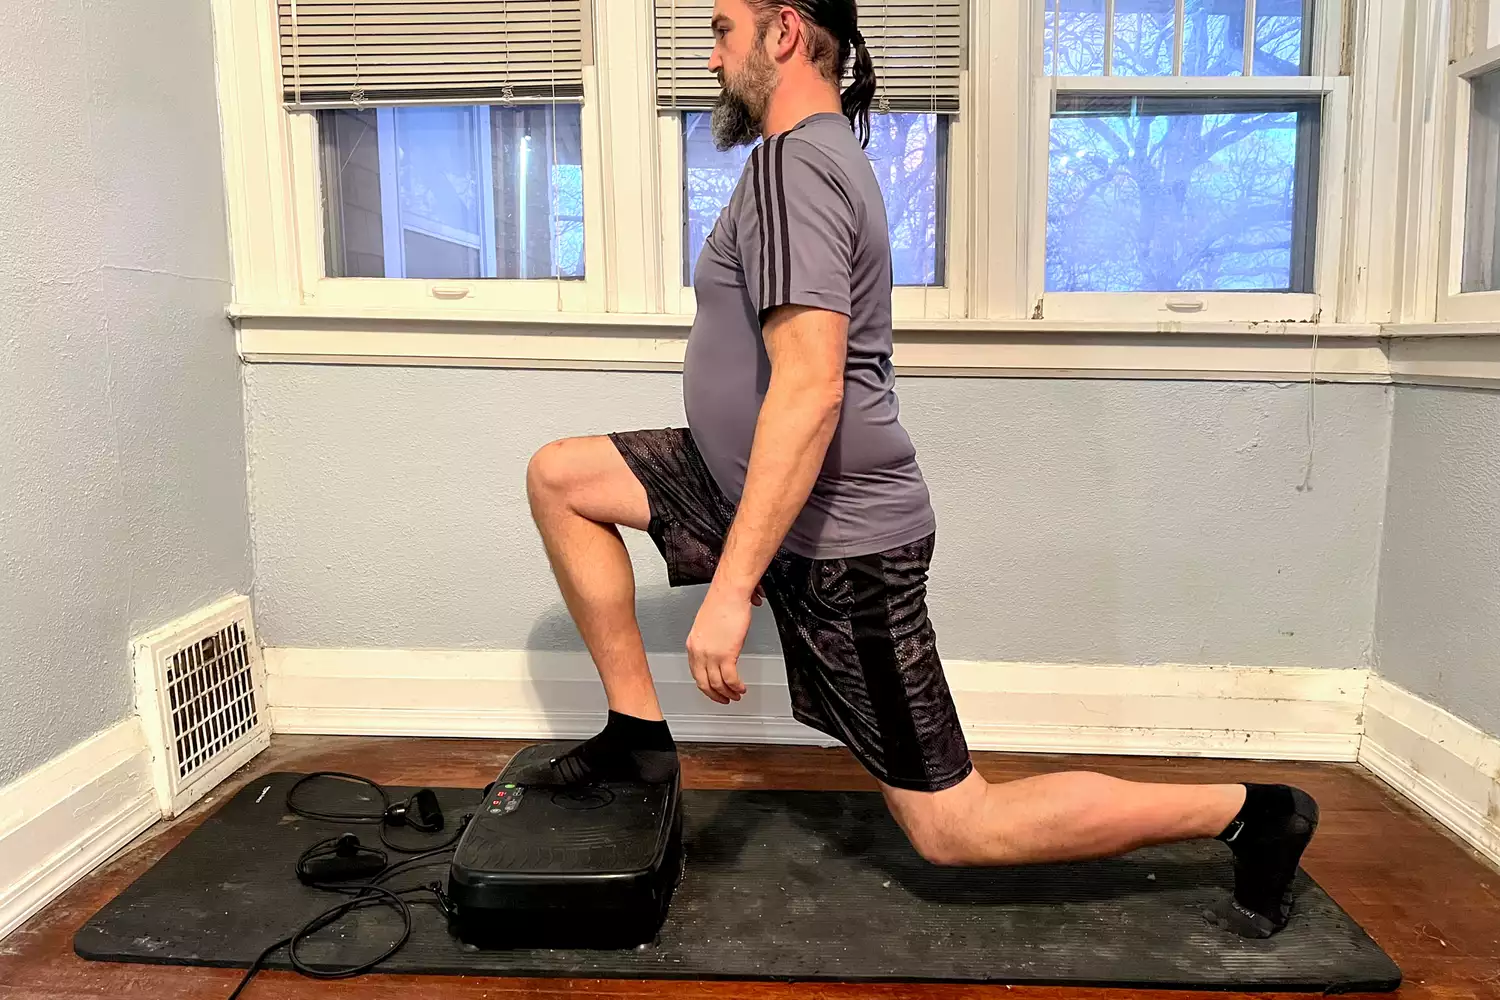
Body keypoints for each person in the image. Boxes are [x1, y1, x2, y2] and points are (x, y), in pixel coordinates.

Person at [524, 0, 1319, 940]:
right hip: (748, 486)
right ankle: (640, 740)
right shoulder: (809, 158)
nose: (710, 59)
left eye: (722, 31)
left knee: (955, 827)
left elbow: (813, 389)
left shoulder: (796, 167)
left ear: (783, 33)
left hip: (845, 541)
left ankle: (1252, 811)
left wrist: (733, 589)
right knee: (564, 476)